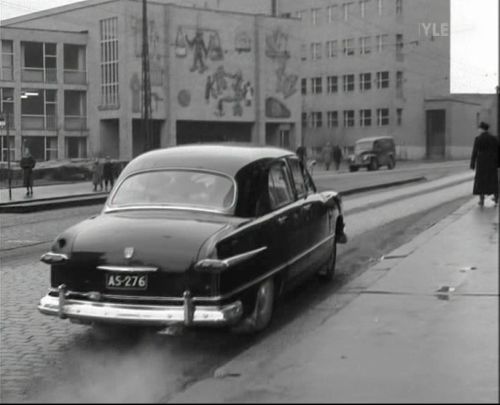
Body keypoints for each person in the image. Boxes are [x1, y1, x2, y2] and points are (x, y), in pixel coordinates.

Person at [470, 122, 498, 206]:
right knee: (493, 180)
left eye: (479, 128)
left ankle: (481, 200)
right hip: (491, 161)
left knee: (480, 181)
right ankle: (496, 198)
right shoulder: (493, 138)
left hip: (481, 162)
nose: (479, 129)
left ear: (482, 129)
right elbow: (497, 150)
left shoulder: (478, 138)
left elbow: (474, 152)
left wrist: (472, 164)